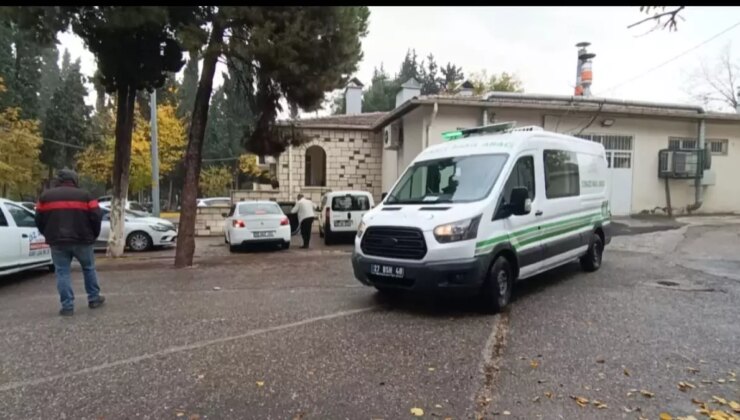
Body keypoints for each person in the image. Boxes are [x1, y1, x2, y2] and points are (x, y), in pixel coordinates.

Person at [35, 169, 105, 316]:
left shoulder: (46, 196)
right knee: (88, 268)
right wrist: (93, 235)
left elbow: (39, 219)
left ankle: (67, 306)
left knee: (62, 272)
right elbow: (96, 216)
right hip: (83, 240)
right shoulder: (85, 195)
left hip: (58, 242)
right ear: (74, 180)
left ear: (58, 181)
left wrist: (48, 234)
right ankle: (94, 298)